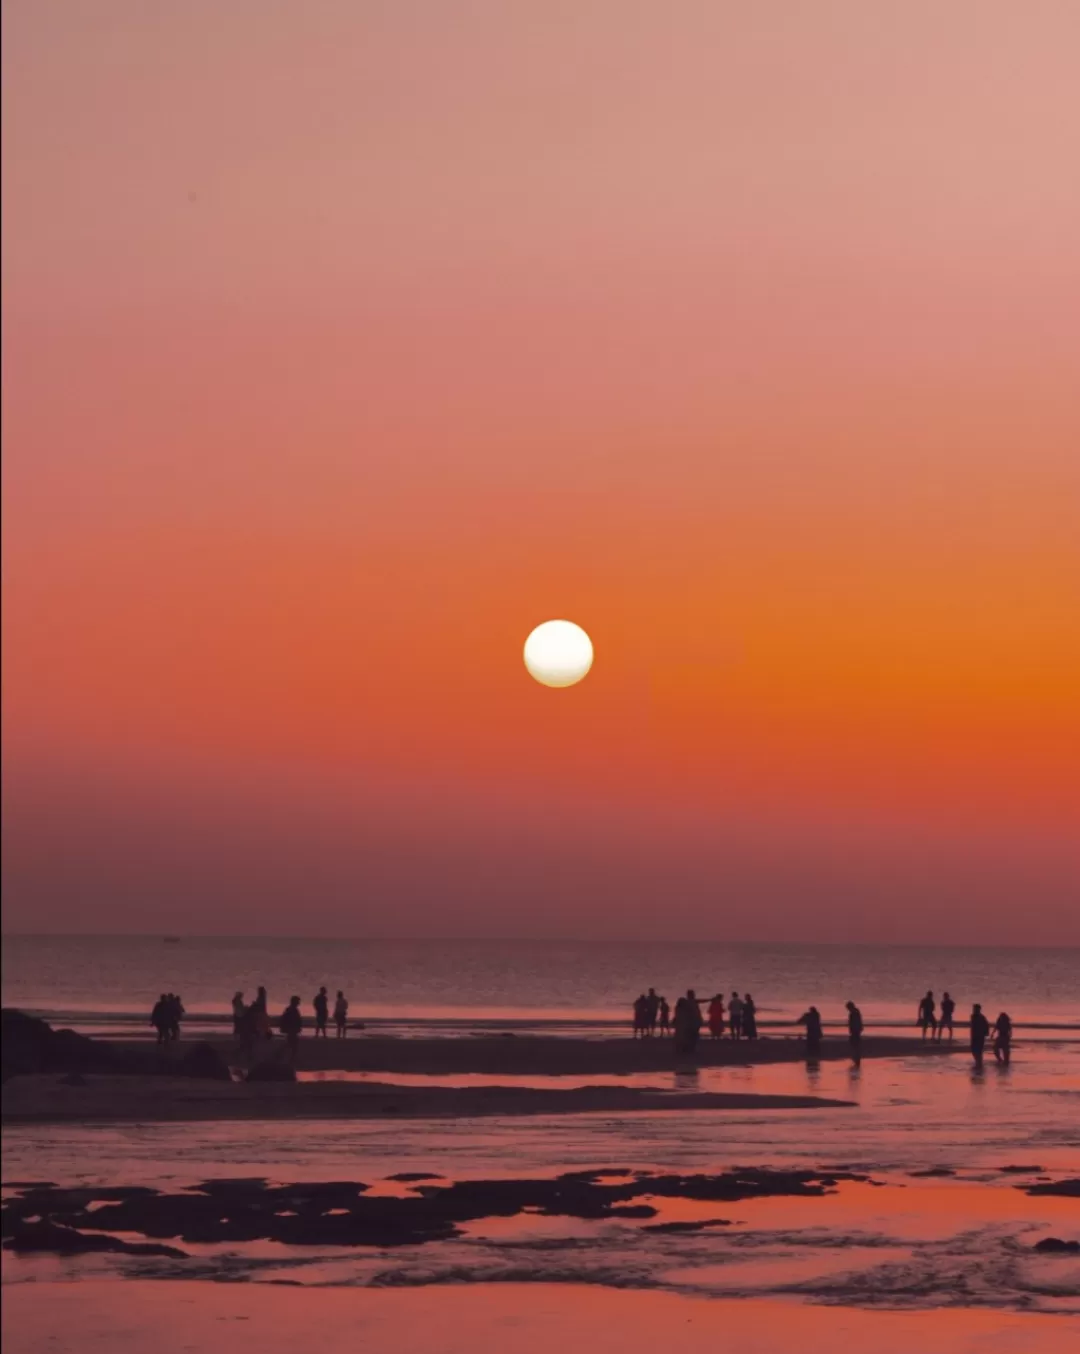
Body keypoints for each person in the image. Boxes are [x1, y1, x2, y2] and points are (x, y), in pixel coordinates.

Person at [673, 989, 703, 1055]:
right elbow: (688, 1014)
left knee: (691, 1036)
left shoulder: (689, 1003)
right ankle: (688, 1049)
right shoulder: (687, 1004)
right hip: (690, 1023)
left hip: (691, 1022)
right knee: (690, 1036)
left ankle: (687, 1049)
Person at [969, 1002, 990, 1070]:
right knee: (973, 1050)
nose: (974, 1010)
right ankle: (978, 1062)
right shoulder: (972, 1016)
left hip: (980, 1036)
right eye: (974, 1009)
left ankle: (979, 1063)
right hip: (974, 1036)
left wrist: (986, 1033)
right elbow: (972, 1027)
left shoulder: (981, 1017)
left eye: (975, 1009)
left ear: (979, 1010)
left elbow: (986, 1025)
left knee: (979, 1051)